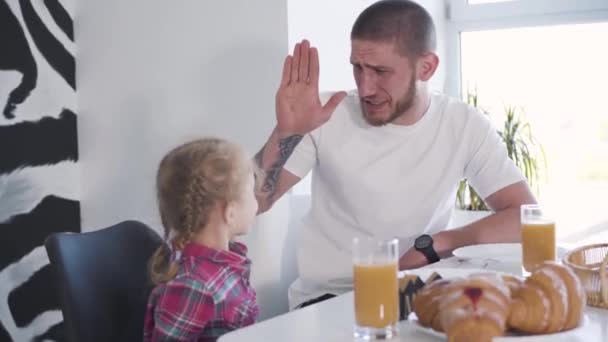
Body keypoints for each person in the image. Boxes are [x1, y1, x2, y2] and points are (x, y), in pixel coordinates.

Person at [255, 0, 536, 309]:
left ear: (426, 67)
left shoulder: (463, 124)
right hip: (332, 298)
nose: (365, 88)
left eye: (380, 71)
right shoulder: (323, 115)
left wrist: (439, 243)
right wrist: (285, 134)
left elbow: (525, 219)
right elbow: (256, 201)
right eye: (357, 68)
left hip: (418, 294)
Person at [144, 138, 260, 341]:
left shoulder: (227, 263)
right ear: (230, 212)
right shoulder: (192, 287)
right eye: (251, 191)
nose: (257, 201)